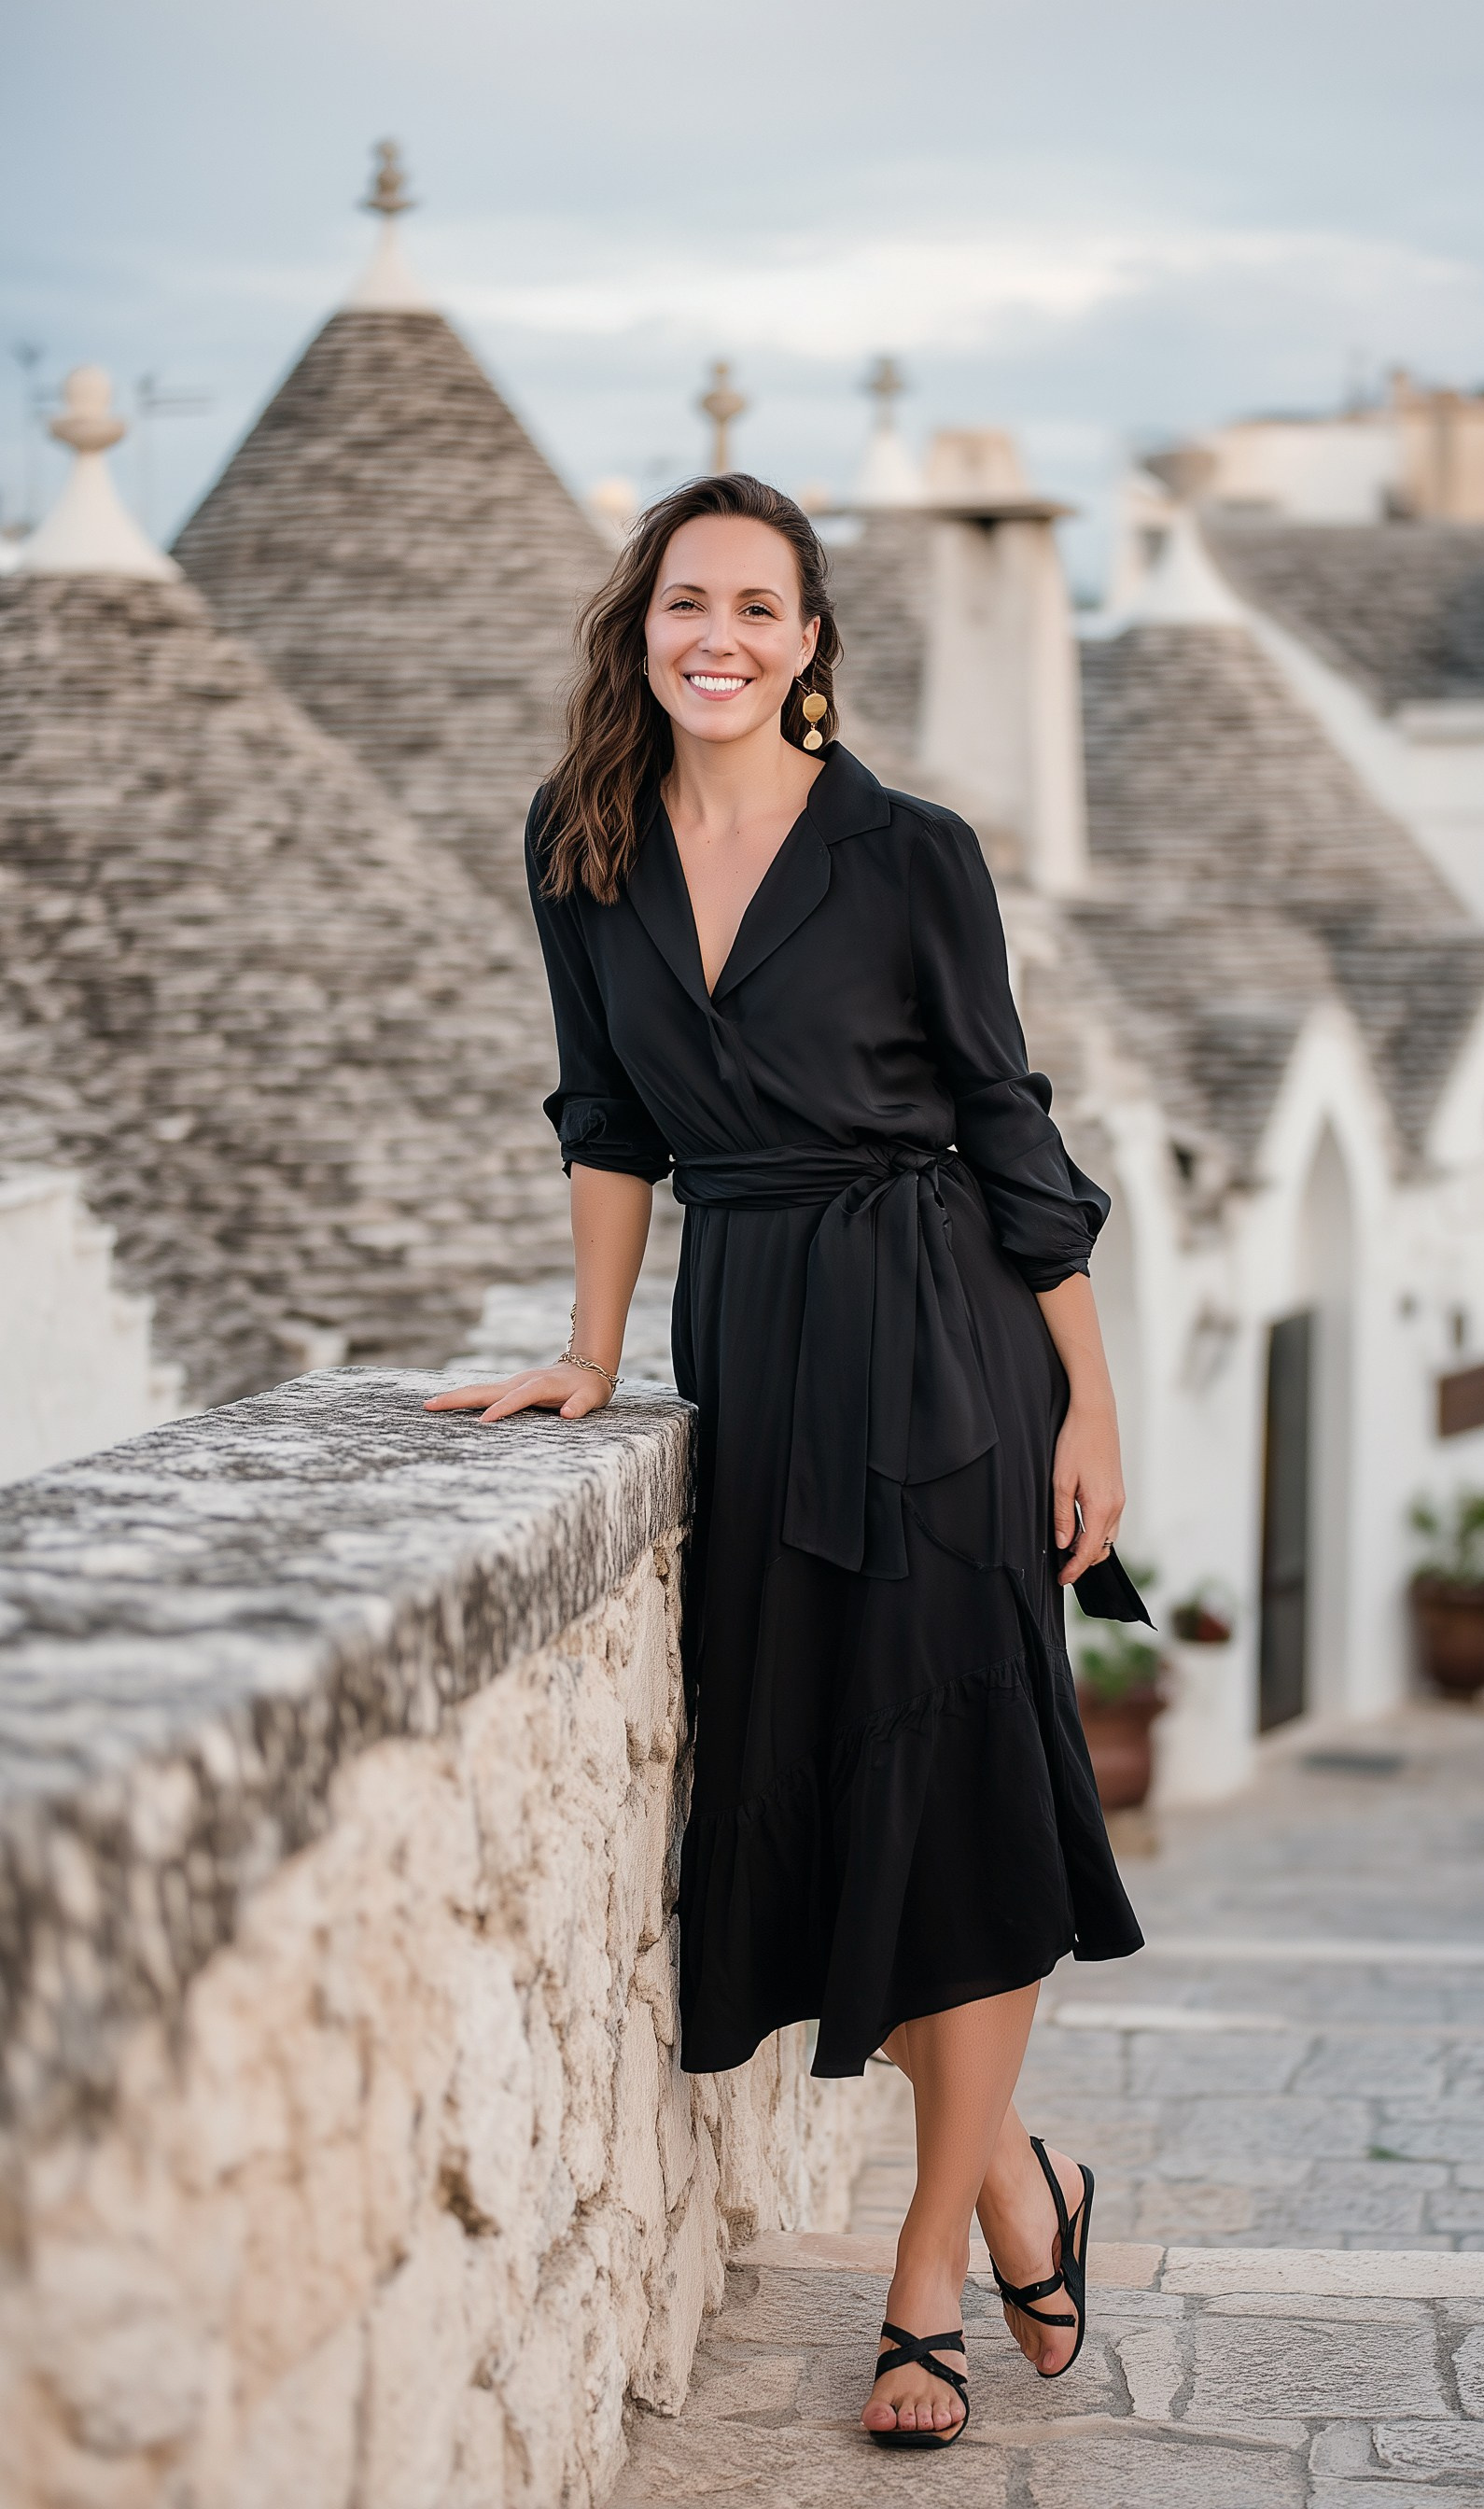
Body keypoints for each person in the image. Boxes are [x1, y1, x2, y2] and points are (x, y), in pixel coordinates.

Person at [427, 472, 1143, 2448]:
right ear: (637, 626)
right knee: (838, 1790)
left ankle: (925, 2269)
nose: (717, 635)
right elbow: (601, 1114)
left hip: (939, 1345)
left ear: (811, 640)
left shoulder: (908, 853)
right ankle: (1017, 2178)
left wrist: (1088, 1400)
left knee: (961, 1784)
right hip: (747, 1333)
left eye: (758, 605)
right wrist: (588, 1353)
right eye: (685, 603)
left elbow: (1006, 1121)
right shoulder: (579, 849)